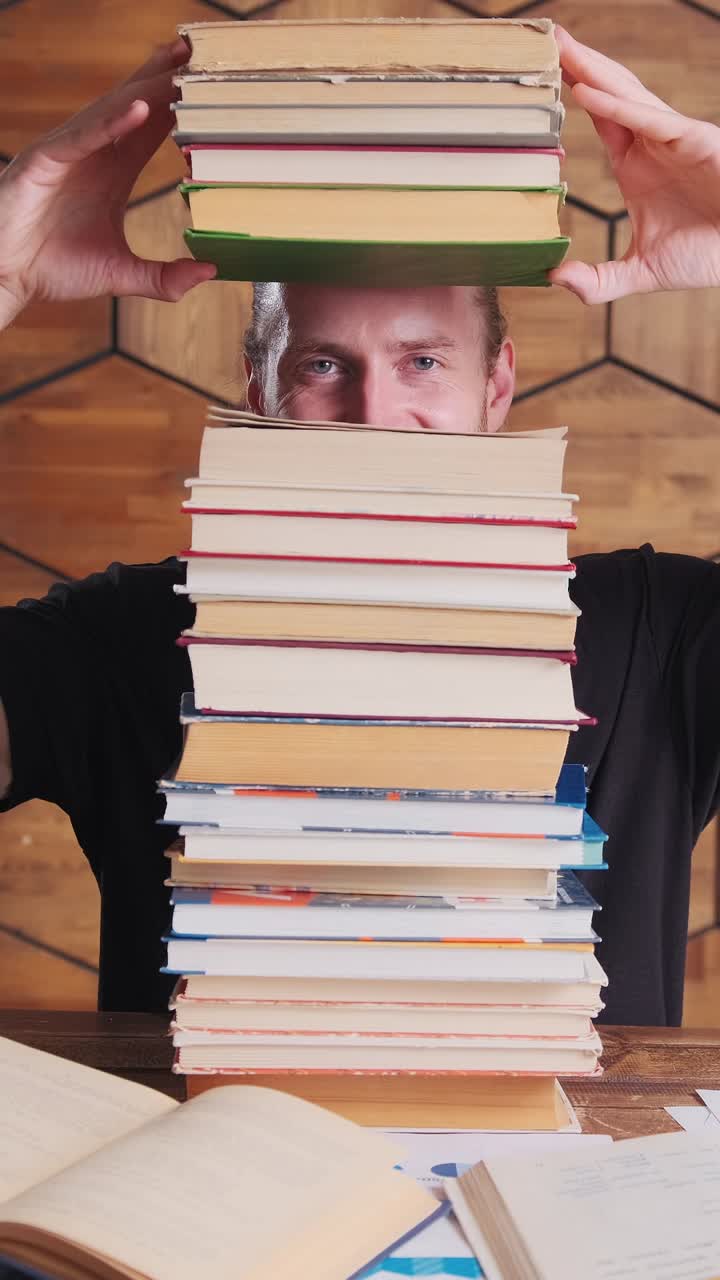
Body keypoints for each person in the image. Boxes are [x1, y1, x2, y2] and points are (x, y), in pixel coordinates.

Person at [0, 29, 718, 1023]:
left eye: (424, 360)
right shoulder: (122, 636)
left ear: (497, 386)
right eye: (323, 364)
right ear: (259, 390)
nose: (378, 410)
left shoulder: (661, 631)